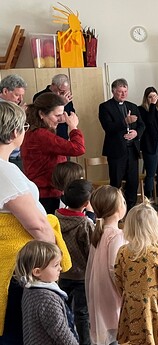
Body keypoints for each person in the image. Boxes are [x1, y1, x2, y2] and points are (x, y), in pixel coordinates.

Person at [0, 101, 71, 343]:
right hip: (17, 263)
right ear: (13, 133)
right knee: (19, 330)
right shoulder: (4, 172)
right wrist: (53, 260)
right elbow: (37, 225)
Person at [114, 200, 158, 345]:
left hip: (131, 301)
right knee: (153, 338)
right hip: (152, 305)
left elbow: (117, 277)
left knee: (135, 338)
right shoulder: (157, 254)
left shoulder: (122, 251)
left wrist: (126, 293)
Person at [21, 93, 85, 214]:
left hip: (46, 191)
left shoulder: (38, 132)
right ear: (41, 114)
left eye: (62, 115)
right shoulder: (40, 134)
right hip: (46, 194)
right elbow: (78, 148)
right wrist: (73, 127)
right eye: (57, 116)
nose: (61, 120)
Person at [14, 240, 79, 345]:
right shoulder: (48, 299)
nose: (60, 268)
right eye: (56, 265)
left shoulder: (29, 289)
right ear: (37, 272)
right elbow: (62, 335)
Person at [86, 185, 128, 345]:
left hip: (101, 289)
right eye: (123, 201)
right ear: (118, 208)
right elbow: (114, 268)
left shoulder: (101, 230)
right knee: (113, 332)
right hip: (112, 292)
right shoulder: (116, 235)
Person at [55, 179, 95, 345]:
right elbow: (91, 251)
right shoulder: (85, 225)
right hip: (81, 277)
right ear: (86, 203)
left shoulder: (55, 218)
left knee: (64, 310)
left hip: (62, 273)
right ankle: (85, 342)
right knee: (82, 313)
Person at [99, 78, 146, 212]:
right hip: (116, 151)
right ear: (113, 91)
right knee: (116, 182)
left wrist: (136, 133)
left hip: (132, 149)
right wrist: (125, 121)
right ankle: (114, 210)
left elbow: (142, 125)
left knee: (133, 182)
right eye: (120, 92)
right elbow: (108, 127)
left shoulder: (132, 106)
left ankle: (131, 209)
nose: (123, 94)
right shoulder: (105, 107)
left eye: (125, 91)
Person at [33, 74, 75, 140]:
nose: (61, 93)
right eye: (60, 90)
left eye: (64, 91)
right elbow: (42, 118)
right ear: (53, 84)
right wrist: (62, 103)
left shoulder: (65, 97)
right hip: (46, 136)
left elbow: (72, 115)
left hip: (63, 136)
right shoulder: (40, 96)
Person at [0, 74, 27, 170]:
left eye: (22, 95)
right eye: (17, 95)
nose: (20, 99)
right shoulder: (3, 109)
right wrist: (20, 115)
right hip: (9, 156)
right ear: (5, 91)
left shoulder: (14, 107)